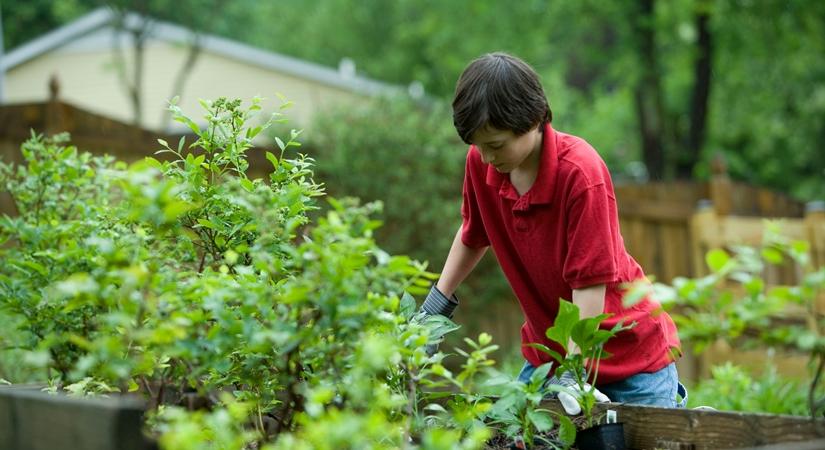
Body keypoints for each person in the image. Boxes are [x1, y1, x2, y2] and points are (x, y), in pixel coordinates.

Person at [420, 52, 686, 413]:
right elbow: (473, 232)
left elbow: (589, 284)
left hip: (630, 361)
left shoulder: (579, 172)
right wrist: (432, 311)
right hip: (551, 357)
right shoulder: (483, 164)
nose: (484, 157)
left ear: (532, 120)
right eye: (477, 145)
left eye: (495, 145)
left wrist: (574, 374)